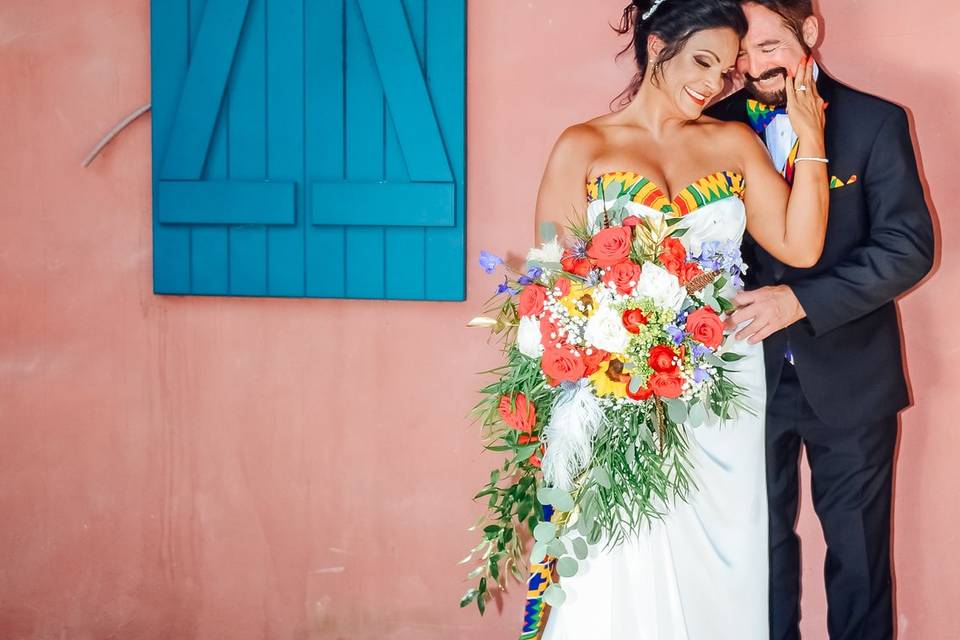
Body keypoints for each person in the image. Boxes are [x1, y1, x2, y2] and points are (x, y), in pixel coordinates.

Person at [525, 0, 828, 637]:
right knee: (616, 555)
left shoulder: (734, 142)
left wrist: (812, 142)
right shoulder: (585, 144)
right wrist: (607, 359)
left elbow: (800, 248)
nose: (715, 84)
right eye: (704, 62)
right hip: (615, 387)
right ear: (658, 43)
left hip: (720, 385)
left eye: (727, 72)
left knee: (722, 558)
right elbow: (552, 284)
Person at [704, 2, 935, 639]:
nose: (751, 67)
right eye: (740, 52)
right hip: (737, 383)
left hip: (853, 379)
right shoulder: (707, 128)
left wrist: (801, 301)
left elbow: (907, 248)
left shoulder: (874, 122)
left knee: (860, 561)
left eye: (769, 46)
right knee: (755, 558)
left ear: (810, 32)